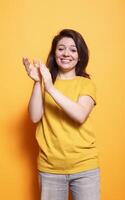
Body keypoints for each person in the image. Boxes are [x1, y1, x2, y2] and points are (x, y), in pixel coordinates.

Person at [22, 29, 100, 200]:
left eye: (73, 50)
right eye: (61, 48)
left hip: (84, 167)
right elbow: (35, 117)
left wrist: (50, 88)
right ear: (54, 53)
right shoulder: (44, 83)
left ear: (80, 56)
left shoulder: (86, 84)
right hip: (50, 168)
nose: (66, 53)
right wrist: (38, 83)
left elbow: (80, 115)